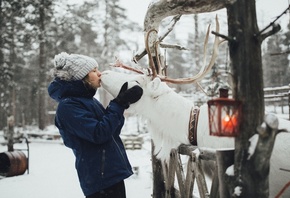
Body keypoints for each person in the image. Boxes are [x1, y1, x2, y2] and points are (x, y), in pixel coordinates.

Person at [47, 52, 143, 198]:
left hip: (110, 174)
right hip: (99, 179)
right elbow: (99, 134)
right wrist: (118, 103)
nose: (99, 74)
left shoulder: (88, 101)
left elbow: (112, 130)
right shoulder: (68, 107)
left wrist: (122, 102)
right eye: (94, 70)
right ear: (81, 76)